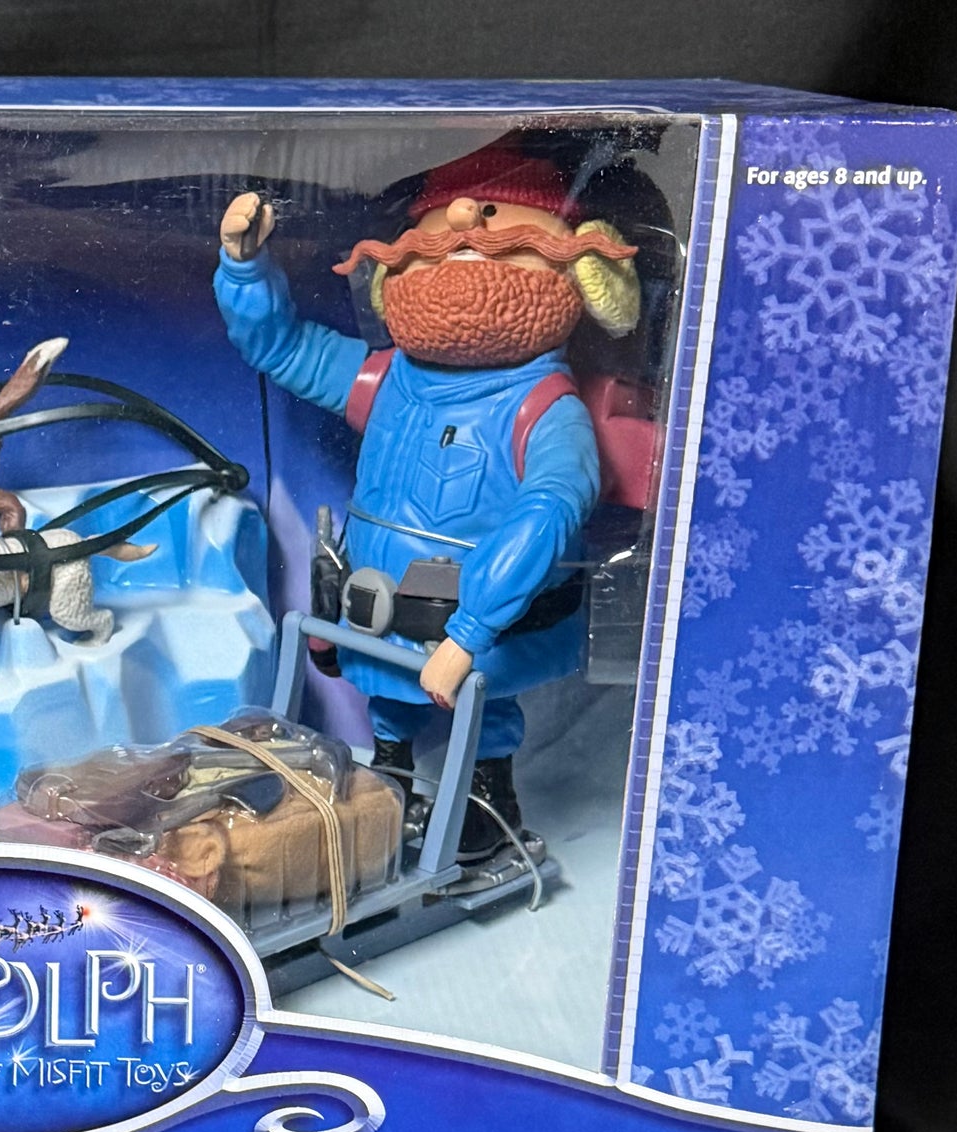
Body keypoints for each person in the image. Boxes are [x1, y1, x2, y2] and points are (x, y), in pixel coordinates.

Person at [213, 141, 642, 875]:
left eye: (500, 226)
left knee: (486, 712)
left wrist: (470, 632)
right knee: (388, 706)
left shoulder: (543, 409)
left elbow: (549, 510)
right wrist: (245, 269)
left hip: (477, 628)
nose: (467, 221)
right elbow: (282, 348)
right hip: (375, 613)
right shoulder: (385, 380)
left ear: (578, 272)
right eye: (439, 230)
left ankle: (488, 800)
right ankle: (390, 783)